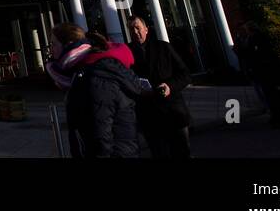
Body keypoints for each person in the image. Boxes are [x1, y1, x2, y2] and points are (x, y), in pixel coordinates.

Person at [48, 23, 142, 157]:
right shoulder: (81, 72)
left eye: (54, 44)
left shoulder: (95, 74)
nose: (51, 50)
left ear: (68, 44)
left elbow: (101, 131)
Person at [127, 14, 193, 158]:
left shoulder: (163, 47)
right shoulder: (127, 53)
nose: (135, 32)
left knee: (182, 152)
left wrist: (170, 86)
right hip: (149, 114)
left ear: (146, 29)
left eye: (138, 28)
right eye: (132, 29)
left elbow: (185, 74)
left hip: (173, 111)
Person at [234, 21, 280, 128]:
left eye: (244, 30)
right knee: (268, 93)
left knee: (271, 93)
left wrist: (241, 51)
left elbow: (255, 54)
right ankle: (279, 115)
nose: (241, 33)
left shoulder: (258, 39)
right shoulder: (244, 40)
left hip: (265, 69)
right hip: (256, 70)